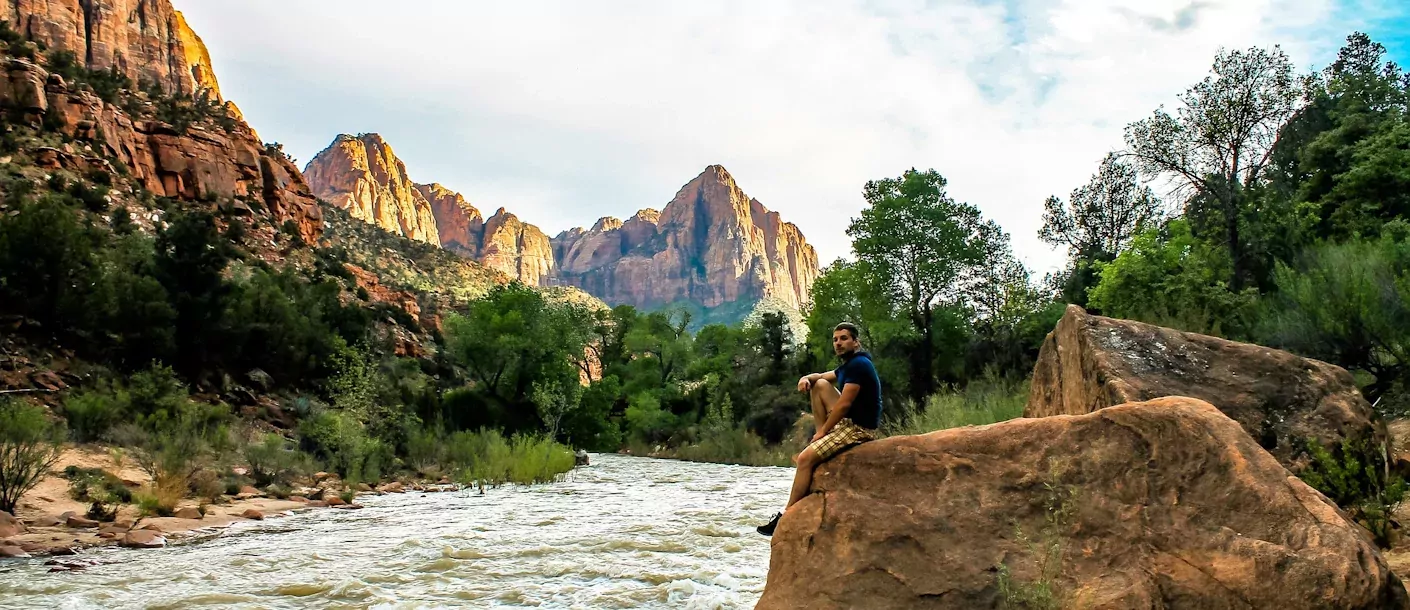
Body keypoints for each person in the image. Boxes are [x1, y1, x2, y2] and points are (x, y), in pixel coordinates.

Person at [756, 322, 882, 536]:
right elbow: (822, 377)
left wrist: (822, 432)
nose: (839, 343)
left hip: (858, 428)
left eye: (844, 338)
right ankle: (822, 435)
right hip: (848, 423)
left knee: (805, 459)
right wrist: (805, 378)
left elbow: (844, 405)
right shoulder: (849, 365)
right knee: (820, 385)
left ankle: (786, 516)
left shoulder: (859, 365)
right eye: (835, 339)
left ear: (855, 342)